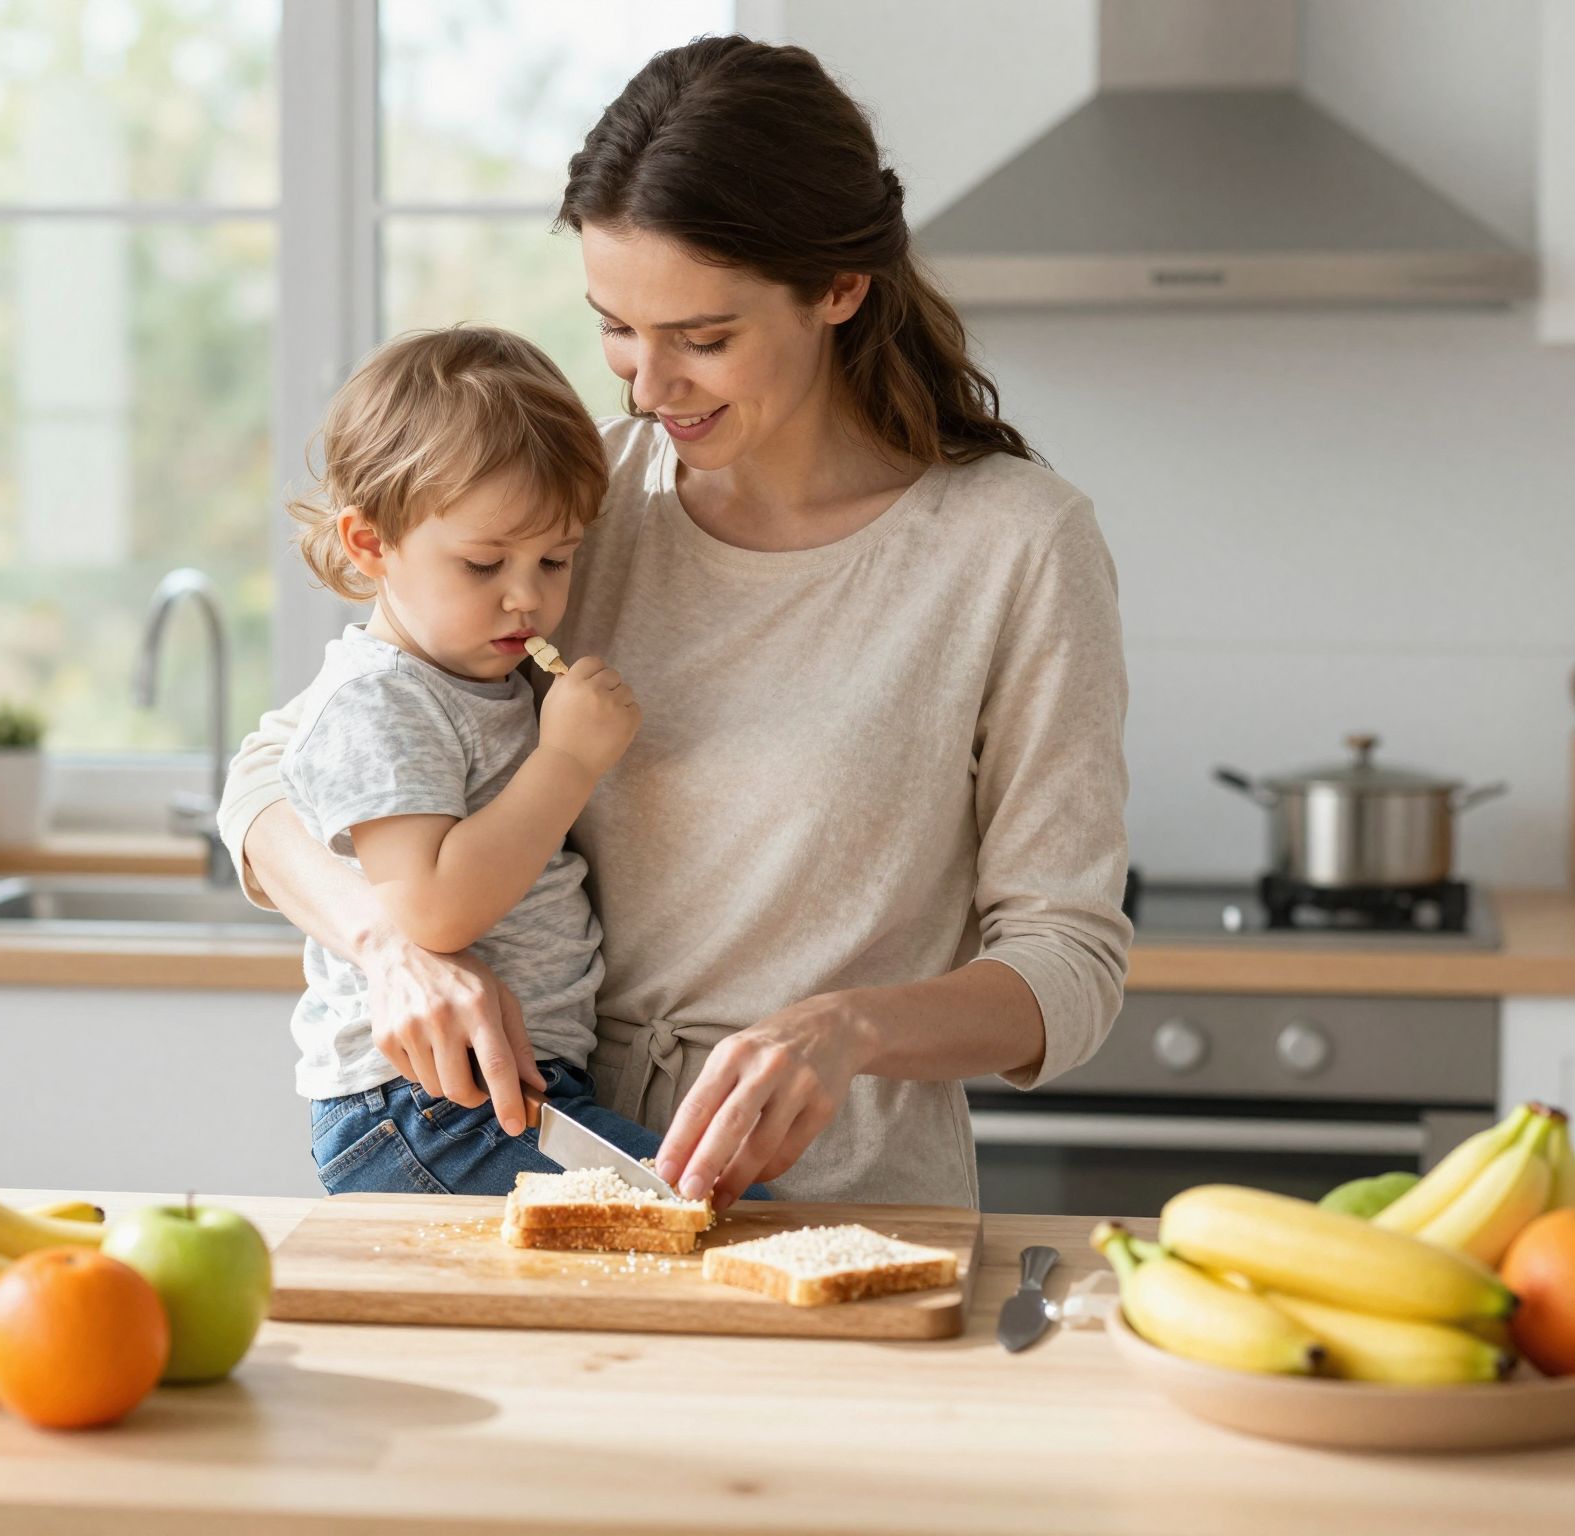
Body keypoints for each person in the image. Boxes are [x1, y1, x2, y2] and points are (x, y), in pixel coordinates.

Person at [221, 35, 1132, 1211]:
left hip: (841, 1201)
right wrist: (387, 945)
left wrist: (847, 1029)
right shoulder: (574, 507)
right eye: (614, 327)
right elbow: (268, 777)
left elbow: (1068, 963)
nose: (646, 388)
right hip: (540, 1165)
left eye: (701, 339)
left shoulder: (1010, 545)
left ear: (838, 290)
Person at [275, 325, 669, 1197]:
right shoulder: (381, 700)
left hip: (498, 1091)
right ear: (371, 544)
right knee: (723, 1230)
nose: (526, 595)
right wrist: (567, 760)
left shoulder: (480, 677)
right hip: (427, 1106)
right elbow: (431, 910)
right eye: (484, 563)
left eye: (556, 560)